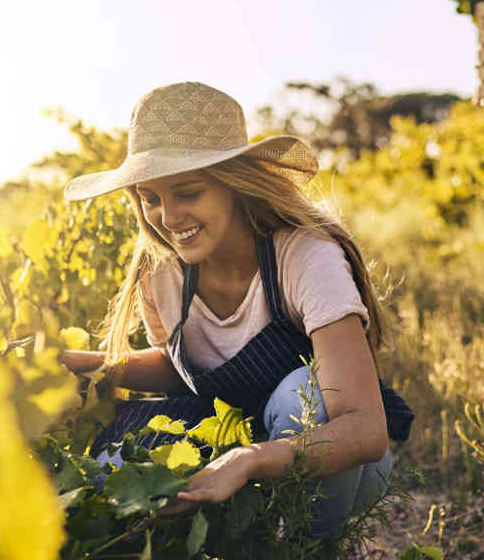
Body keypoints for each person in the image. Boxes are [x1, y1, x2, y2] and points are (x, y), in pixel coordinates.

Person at [58, 81, 413, 536]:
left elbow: (364, 430)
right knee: (111, 467)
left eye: (187, 193)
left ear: (234, 184)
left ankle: (312, 546)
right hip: (229, 439)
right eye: (150, 198)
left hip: (330, 459)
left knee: (303, 394)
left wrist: (248, 460)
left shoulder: (303, 256)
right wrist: (85, 367)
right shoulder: (161, 268)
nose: (167, 218)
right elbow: (181, 368)